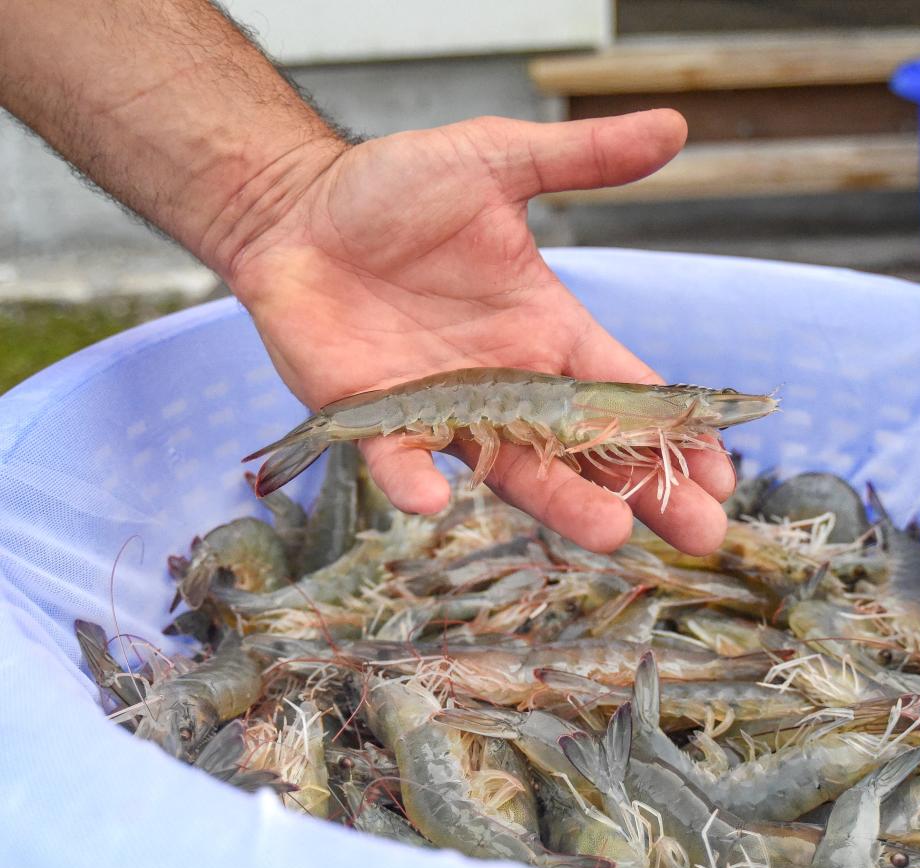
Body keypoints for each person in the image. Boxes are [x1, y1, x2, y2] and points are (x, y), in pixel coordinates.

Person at [0, 1, 736, 555]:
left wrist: (280, 200)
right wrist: (282, 203)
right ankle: (327, 426)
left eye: (695, 406)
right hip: (443, 402)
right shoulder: (605, 414)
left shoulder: (606, 412)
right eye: (692, 405)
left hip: (480, 400)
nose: (693, 410)